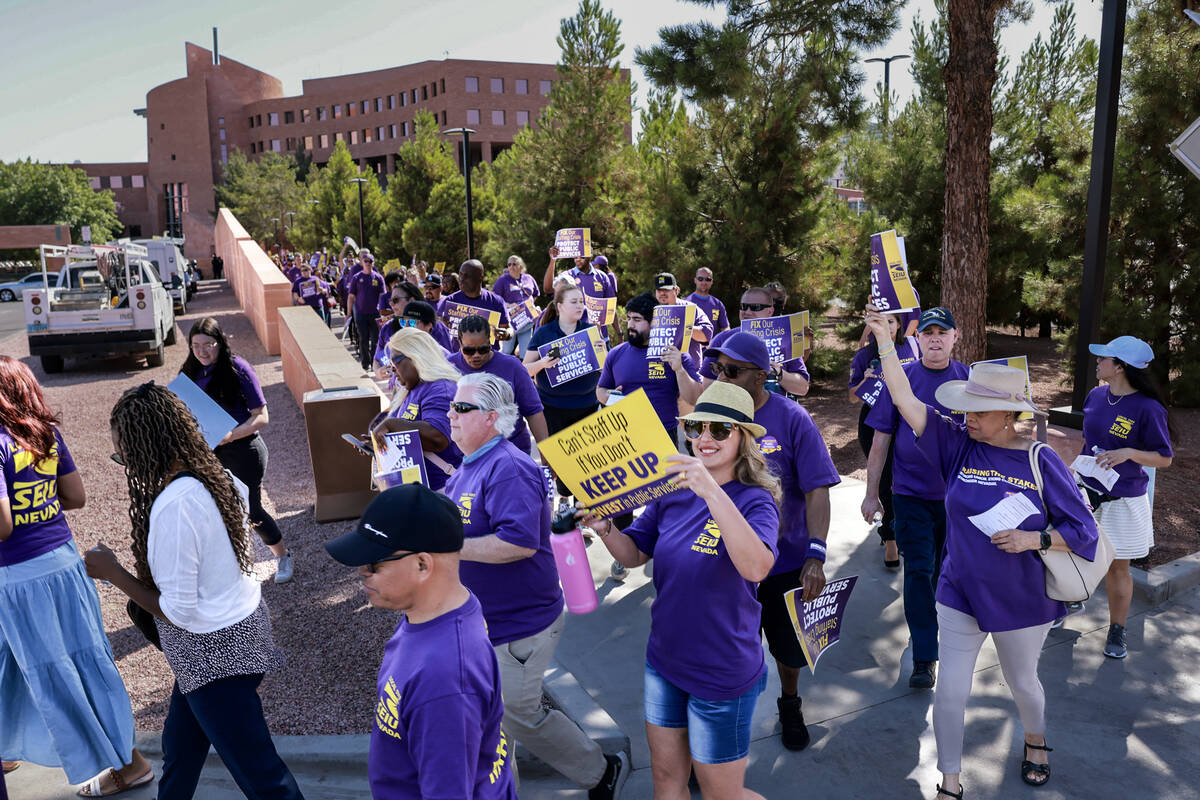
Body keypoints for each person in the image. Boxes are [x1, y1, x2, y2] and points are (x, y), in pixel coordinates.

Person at [863, 307, 1100, 799]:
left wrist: (1033, 539)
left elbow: (1085, 532)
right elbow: (905, 400)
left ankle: (1036, 742)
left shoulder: (1040, 459)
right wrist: (887, 343)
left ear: (1011, 414)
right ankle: (949, 781)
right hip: (959, 590)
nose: (967, 417)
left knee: (1023, 683)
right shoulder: (957, 444)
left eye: (979, 410)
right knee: (950, 689)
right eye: (965, 408)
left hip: (1022, 598)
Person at [87, 383, 304, 800]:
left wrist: (112, 572)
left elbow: (179, 612)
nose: (126, 465)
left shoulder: (175, 505)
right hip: (238, 636)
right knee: (181, 751)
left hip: (211, 656)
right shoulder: (219, 476)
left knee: (264, 777)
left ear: (149, 445)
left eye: (124, 454)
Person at [582, 382, 779, 799]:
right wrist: (605, 528)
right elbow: (635, 554)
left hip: (721, 673)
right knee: (666, 780)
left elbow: (757, 567)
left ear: (743, 438)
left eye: (720, 430)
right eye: (696, 428)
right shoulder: (670, 489)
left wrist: (709, 488)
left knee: (721, 794)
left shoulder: (755, 501)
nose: (704, 438)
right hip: (665, 663)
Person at [445, 374, 628, 799]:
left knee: (515, 714)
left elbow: (519, 542)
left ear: (491, 418)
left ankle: (601, 771)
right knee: (493, 716)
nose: (450, 413)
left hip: (519, 626)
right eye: (453, 405)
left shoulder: (508, 469)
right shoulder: (473, 462)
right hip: (486, 622)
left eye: (461, 408)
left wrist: (450, 549)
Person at [0, 357, 152, 797]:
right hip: (64, 566)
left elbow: (3, 526)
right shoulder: (46, 435)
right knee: (71, 663)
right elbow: (76, 496)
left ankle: (130, 764)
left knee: (56, 672)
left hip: (20, 578)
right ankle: (9, 743)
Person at [324, 484, 517, 799]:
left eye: (374, 563)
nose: (361, 572)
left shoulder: (444, 680)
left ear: (423, 564)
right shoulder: (440, 611)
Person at [705, 333, 840, 751]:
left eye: (731, 370)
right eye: (716, 369)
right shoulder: (710, 415)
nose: (720, 377)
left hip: (785, 563)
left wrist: (815, 555)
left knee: (788, 650)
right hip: (727, 561)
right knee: (725, 651)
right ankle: (719, 726)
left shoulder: (793, 418)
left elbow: (818, 488)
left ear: (762, 376)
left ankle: (789, 703)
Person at [862, 306, 968, 689]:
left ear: (956, 337)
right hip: (909, 496)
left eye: (943, 332)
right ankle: (925, 654)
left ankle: (939, 631)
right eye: (928, 332)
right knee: (920, 572)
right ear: (918, 338)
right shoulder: (901, 378)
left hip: (956, 499)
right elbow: (880, 439)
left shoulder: (970, 381)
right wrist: (872, 494)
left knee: (947, 573)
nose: (936, 338)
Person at [1077, 336, 1173, 658]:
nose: (1098, 362)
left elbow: (1164, 458)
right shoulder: (1095, 395)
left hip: (1123, 500)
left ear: (1120, 367)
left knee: (1118, 568)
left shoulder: (1149, 409)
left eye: (1104, 358)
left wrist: (1129, 453)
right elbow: (1088, 442)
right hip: (1085, 490)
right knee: (1071, 554)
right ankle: (1066, 601)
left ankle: (1117, 630)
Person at [181, 318, 294, 583]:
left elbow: (261, 416)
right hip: (209, 454)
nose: (202, 351)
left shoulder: (238, 369)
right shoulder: (189, 372)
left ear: (219, 342)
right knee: (216, 510)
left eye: (207, 344)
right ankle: (235, 567)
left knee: (252, 511)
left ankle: (283, 557)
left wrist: (231, 435)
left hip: (244, 451)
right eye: (195, 346)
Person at [848, 314, 921, 570]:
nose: (887, 326)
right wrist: (864, 383)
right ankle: (889, 538)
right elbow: (852, 397)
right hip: (874, 422)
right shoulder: (864, 356)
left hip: (908, 419)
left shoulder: (912, 346)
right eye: (881, 321)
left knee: (907, 477)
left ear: (899, 324)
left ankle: (907, 528)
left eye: (892, 321)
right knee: (884, 479)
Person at [524, 282, 605, 498]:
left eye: (581, 301)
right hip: (552, 408)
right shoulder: (543, 333)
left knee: (584, 463)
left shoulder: (590, 331)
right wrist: (543, 364)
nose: (580, 306)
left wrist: (603, 353)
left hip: (587, 406)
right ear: (559, 306)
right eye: (574, 302)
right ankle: (555, 509)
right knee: (555, 464)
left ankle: (579, 511)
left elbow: (605, 366)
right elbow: (524, 369)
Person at [597, 292, 702, 440]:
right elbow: (600, 390)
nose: (630, 325)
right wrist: (610, 397)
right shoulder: (615, 354)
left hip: (664, 434)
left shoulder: (676, 353)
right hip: (625, 436)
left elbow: (694, 398)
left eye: (637, 319)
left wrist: (679, 370)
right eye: (629, 318)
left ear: (654, 322)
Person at [371, 327, 464, 493]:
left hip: (443, 489)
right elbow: (410, 437)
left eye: (395, 364)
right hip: (420, 487)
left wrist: (393, 424)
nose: (393, 373)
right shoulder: (412, 389)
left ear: (414, 357)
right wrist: (381, 441)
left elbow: (438, 437)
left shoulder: (441, 388)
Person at [450, 315, 548, 453]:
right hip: (466, 457)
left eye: (483, 349)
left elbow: (534, 412)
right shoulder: (447, 367)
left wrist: (546, 453)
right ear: (459, 342)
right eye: (469, 351)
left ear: (490, 341)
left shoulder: (512, 366)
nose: (476, 355)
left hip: (512, 452)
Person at [700, 288, 810, 397]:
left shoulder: (785, 339)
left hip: (773, 411)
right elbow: (707, 386)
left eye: (755, 307)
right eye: (743, 307)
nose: (747, 312)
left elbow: (802, 387)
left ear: (770, 311)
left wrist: (778, 372)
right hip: (733, 411)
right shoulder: (723, 339)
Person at [544, 248, 618, 341]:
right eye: (575, 256)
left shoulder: (602, 276)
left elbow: (611, 307)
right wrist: (553, 261)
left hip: (600, 338)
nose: (577, 259)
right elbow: (548, 290)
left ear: (590, 255)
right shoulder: (568, 275)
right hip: (576, 340)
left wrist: (619, 334)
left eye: (581, 256)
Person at [441, 260, 512, 346]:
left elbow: (509, 329)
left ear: (480, 278)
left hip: (489, 355)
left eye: (467, 276)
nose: (461, 278)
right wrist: (442, 325)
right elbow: (437, 330)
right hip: (460, 356)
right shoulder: (450, 301)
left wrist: (506, 334)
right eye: (460, 274)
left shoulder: (496, 301)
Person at [653, 272, 713, 366]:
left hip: (689, 372)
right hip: (660, 371)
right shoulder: (651, 312)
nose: (662, 293)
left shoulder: (691, 309)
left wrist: (683, 327)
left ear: (676, 290)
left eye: (666, 289)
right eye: (659, 290)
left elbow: (706, 336)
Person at [492, 255, 540, 358]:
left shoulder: (528, 278)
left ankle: (524, 372)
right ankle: (502, 372)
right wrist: (507, 305)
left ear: (520, 266)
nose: (511, 267)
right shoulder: (502, 280)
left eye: (514, 264)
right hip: (512, 321)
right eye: (509, 264)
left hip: (527, 320)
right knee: (507, 350)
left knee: (525, 351)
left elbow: (535, 294)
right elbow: (495, 299)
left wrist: (529, 306)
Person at [347, 251, 387, 370]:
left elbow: (382, 295)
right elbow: (351, 296)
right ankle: (365, 364)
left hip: (375, 314)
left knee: (375, 339)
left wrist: (382, 311)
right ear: (362, 262)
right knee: (363, 339)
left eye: (370, 261)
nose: (368, 263)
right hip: (361, 313)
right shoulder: (356, 277)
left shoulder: (378, 278)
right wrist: (349, 313)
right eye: (366, 261)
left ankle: (374, 362)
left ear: (373, 263)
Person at [686, 267, 730, 341]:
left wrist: (723, 342)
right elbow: (683, 330)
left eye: (708, 279)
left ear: (712, 282)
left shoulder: (718, 304)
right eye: (700, 279)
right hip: (693, 351)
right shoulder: (686, 303)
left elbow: (725, 328)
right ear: (695, 280)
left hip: (712, 350)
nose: (704, 282)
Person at [291, 262, 332, 326]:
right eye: (301, 271)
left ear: (310, 270)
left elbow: (326, 290)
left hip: (318, 307)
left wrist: (322, 290)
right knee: (308, 327)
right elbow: (295, 293)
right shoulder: (298, 281)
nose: (303, 272)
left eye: (305, 270)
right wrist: (298, 299)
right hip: (305, 308)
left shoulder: (316, 279)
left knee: (321, 326)